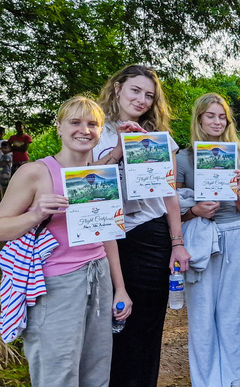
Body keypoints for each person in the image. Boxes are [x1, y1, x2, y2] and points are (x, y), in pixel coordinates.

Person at [0, 96, 132, 386]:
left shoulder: (99, 175)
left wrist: (120, 288)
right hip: (54, 286)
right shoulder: (35, 172)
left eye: (92, 124)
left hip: (99, 279)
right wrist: (35, 214)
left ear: (100, 132)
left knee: (96, 374)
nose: (84, 130)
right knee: (57, 374)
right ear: (58, 127)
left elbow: (106, 233)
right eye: (75, 122)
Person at [92, 64, 191, 387]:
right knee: (105, 325)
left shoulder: (162, 140)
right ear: (117, 87)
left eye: (149, 95)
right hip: (103, 236)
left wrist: (177, 243)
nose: (142, 100)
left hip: (150, 236)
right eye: (135, 90)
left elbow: (170, 196)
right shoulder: (93, 130)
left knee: (146, 327)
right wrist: (121, 150)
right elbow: (84, 181)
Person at [176, 93, 240, 387]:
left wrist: (237, 190)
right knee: (201, 310)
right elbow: (174, 209)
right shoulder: (183, 158)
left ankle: (236, 377)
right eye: (210, 116)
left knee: (233, 308)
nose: (217, 122)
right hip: (200, 237)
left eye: (222, 116)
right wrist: (195, 210)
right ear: (199, 119)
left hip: (234, 233)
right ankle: (206, 380)